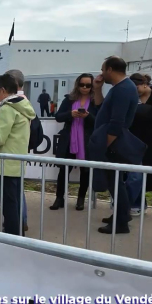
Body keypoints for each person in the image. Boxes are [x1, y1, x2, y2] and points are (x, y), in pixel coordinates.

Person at [89, 56, 144, 234]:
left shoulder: (123, 89)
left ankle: (121, 223)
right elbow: (100, 106)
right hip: (111, 141)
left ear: (110, 70)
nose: (102, 73)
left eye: (103, 69)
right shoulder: (119, 88)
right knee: (115, 182)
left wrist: (105, 145)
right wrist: (97, 89)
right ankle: (121, 216)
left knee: (115, 182)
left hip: (112, 142)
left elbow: (117, 122)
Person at [0, 73, 36, 236]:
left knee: (9, 207)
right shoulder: (21, 107)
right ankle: (17, 236)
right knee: (14, 204)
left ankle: (12, 238)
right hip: (14, 163)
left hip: (4, 165)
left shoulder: (6, 109)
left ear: (2, 90)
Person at [50, 73, 97, 211]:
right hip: (69, 140)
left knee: (85, 171)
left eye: (88, 85)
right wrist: (70, 114)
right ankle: (59, 198)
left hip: (87, 140)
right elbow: (58, 117)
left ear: (92, 86)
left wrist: (87, 116)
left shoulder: (96, 101)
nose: (84, 87)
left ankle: (81, 199)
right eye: (82, 84)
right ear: (77, 84)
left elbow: (99, 121)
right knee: (63, 170)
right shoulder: (69, 99)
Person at [126, 73, 152, 215]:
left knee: (146, 175)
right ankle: (136, 203)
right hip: (135, 141)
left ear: (145, 84)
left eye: (137, 87)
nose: (135, 90)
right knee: (135, 174)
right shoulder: (132, 98)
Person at [4, 69, 29, 231]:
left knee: (12, 197)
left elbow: (0, 136)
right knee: (16, 194)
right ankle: (19, 223)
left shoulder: (13, 103)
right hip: (17, 154)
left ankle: (16, 226)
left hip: (10, 157)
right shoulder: (23, 102)